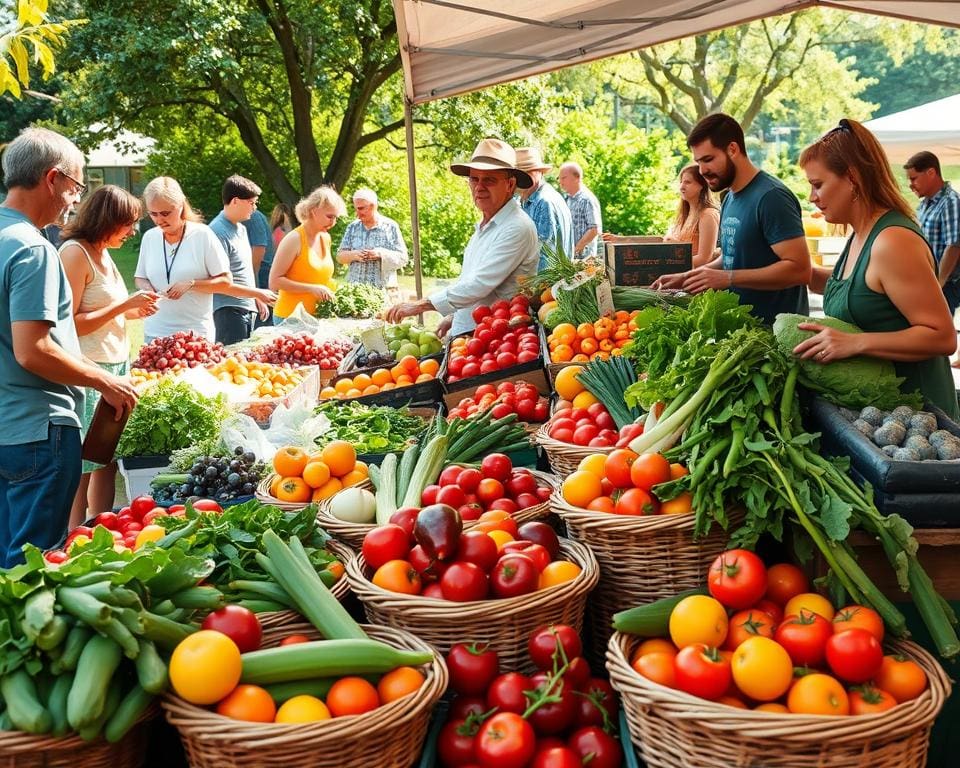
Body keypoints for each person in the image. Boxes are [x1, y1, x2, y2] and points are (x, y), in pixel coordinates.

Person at [0, 127, 138, 566]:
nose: (76, 200)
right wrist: (105, 381)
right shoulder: (32, 249)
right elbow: (33, 349)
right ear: (52, 178)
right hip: (37, 431)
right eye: (77, 186)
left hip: (7, 427)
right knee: (33, 571)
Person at [792, 120, 958, 417]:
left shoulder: (892, 241)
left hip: (919, 420)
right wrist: (794, 270)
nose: (812, 197)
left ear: (852, 179)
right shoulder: (859, 233)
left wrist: (855, 343)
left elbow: (943, 336)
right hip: (882, 415)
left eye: (818, 185)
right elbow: (860, 290)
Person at [59, 186, 159, 525]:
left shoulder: (104, 252)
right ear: (107, 220)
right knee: (84, 465)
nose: (132, 232)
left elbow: (106, 312)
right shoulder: (74, 253)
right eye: (127, 224)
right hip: (90, 371)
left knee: (107, 460)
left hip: (117, 367)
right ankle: (73, 535)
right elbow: (70, 324)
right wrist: (124, 305)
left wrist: (134, 311)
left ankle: (103, 528)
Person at [654, 113, 811, 325]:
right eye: (699, 162)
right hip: (741, 335)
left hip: (774, 336)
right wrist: (688, 277)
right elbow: (730, 257)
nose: (703, 171)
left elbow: (800, 270)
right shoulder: (729, 198)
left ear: (733, 149)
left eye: (708, 160)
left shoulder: (771, 197)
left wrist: (728, 278)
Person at [385, 139, 539, 336]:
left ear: (510, 185)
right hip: (478, 335)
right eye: (474, 179)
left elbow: (480, 283)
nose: (479, 187)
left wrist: (422, 305)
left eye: (489, 180)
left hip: (497, 338)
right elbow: (471, 279)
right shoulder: (490, 223)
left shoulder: (517, 226)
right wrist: (454, 316)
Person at [134, 177, 231, 342]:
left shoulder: (202, 234)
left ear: (180, 205)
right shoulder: (150, 237)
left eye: (165, 213)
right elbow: (140, 277)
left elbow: (225, 281)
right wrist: (148, 289)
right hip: (154, 333)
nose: (159, 220)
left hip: (195, 336)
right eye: (153, 214)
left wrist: (192, 284)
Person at [603, 164, 721, 268]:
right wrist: (621, 240)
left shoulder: (708, 215)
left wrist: (664, 263)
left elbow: (704, 259)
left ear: (702, 185)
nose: (681, 187)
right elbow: (663, 240)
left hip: (692, 281)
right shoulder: (684, 214)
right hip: (676, 276)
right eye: (681, 182)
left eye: (688, 182)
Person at [209, 175, 276, 344]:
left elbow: (244, 270)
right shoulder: (216, 231)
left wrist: (255, 297)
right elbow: (219, 282)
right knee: (232, 364)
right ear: (236, 201)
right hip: (227, 310)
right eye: (251, 203)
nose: (254, 208)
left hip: (246, 308)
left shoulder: (241, 228)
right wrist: (257, 293)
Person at [269, 186, 345, 322]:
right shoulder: (294, 239)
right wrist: (311, 288)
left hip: (317, 317)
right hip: (290, 317)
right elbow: (274, 282)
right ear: (313, 211)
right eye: (329, 216)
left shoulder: (325, 237)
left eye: (336, 218)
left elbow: (320, 276)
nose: (333, 222)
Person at [904, 152, 960, 316]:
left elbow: (954, 245)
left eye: (914, 178)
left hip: (944, 285)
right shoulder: (925, 204)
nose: (910, 185)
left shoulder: (950, 202)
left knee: (936, 335)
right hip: (927, 282)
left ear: (931, 173)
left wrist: (938, 284)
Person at [336, 188, 409, 302]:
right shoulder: (352, 227)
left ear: (373, 206)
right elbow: (340, 256)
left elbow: (403, 258)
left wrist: (380, 254)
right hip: (355, 294)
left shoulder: (390, 226)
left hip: (383, 294)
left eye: (361, 208)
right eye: (356, 208)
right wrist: (355, 255)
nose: (357, 213)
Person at [514, 147, 574, 270]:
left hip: (547, 287)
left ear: (539, 172)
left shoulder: (543, 203)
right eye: (518, 174)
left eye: (527, 173)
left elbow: (544, 261)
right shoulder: (529, 199)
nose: (521, 179)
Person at [557, 162, 602, 258]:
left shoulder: (587, 199)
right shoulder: (567, 200)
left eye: (563, 178)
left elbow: (594, 229)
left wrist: (575, 250)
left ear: (577, 177)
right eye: (559, 178)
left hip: (584, 263)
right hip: (570, 261)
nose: (560, 182)